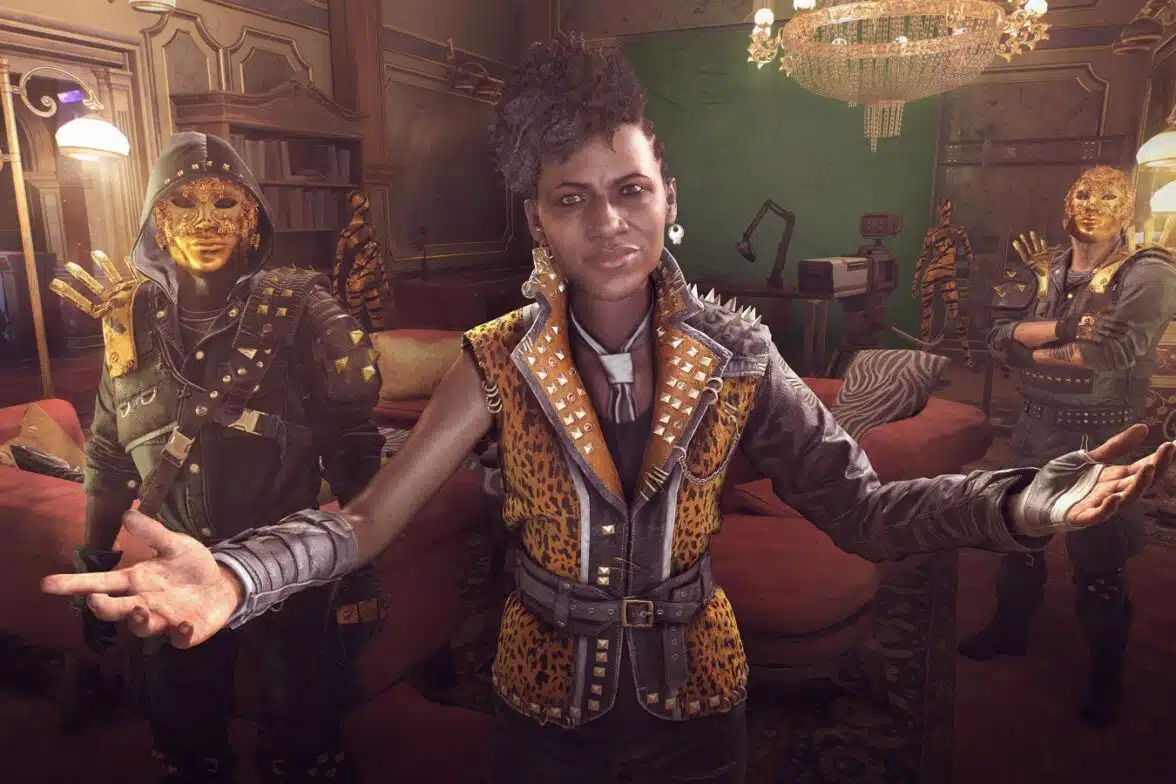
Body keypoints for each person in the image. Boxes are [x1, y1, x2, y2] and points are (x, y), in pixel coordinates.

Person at [43, 39, 1174, 784]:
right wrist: (237, 576)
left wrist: (1025, 501)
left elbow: (866, 512)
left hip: (702, 700)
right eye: (571, 200)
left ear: (668, 194)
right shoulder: (496, 359)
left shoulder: (738, 354)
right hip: (543, 706)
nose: (609, 223)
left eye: (630, 190)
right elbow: (369, 519)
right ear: (539, 219)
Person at [48, 131, 385, 783]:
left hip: (286, 570)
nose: (205, 222)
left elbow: (351, 445)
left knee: (307, 743)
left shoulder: (301, 310)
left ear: (253, 218)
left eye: (225, 202)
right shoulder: (126, 321)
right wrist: (93, 556)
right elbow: (111, 455)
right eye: (184, 203)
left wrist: (364, 563)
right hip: (174, 569)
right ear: (158, 222)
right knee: (183, 748)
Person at [959, 165, 1176, 727]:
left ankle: (1106, 676)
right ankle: (1010, 629)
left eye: (1108, 196)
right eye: (1082, 193)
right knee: (1019, 536)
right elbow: (995, 338)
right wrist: (1068, 330)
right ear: (1066, 202)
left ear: (1127, 211)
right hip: (1034, 425)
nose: (1092, 204)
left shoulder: (1150, 271)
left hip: (1102, 435)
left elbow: (1111, 354)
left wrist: (1026, 347)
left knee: (1099, 562)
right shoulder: (1049, 269)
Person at [912, 197, 976, 366]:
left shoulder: (947, 232)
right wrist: (915, 281)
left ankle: (966, 358)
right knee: (941, 315)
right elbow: (969, 256)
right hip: (940, 274)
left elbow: (922, 258)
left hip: (936, 274)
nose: (945, 212)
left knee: (935, 316)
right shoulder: (955, 231)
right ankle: (966, 358)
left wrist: (915, 281)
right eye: (945, 209)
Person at [331, 190, 390, 332]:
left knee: (378, 322)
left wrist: (384, 280)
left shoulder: (369, 230)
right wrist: (335, 289)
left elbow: (377, 256)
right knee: (355, 325)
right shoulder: (347, 234)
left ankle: (376, 343)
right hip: (355, 284)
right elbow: (338, 261)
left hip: (368, 282)